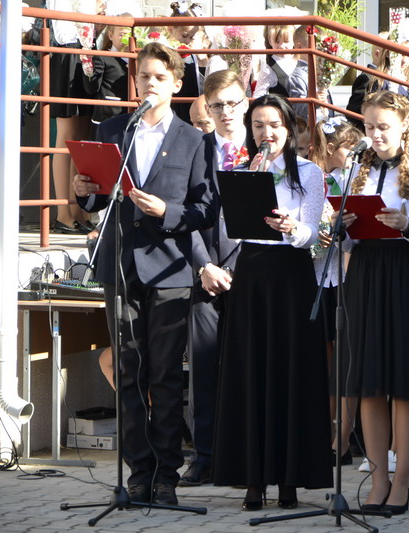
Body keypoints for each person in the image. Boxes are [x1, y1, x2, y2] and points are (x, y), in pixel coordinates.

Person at [72, 42, 216, 506]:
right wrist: (84, 192)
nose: (148, 85)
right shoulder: (117, 129)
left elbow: (206, 208)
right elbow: (99, 194)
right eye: (143, 77)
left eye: (158, 77)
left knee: (166, 377)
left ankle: (167, 476)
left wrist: (168, 211)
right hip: (121, 264)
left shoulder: (194, 140)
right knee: (130, 372)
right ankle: (138, 474)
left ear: (176, 84)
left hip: (170, 270)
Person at [211, 93, 332, 511]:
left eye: (274, 125)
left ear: (289, 128)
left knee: (291, 372)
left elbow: (312, 235)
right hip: (253, 276)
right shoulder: (242, 170)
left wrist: (291, 226)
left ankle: (289, 481)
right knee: (252, 370)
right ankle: (253, 479)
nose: (267, 134)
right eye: (259, 126)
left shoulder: (310, 174)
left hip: (292, 275)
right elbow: (231, 227)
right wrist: (247, 186)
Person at [338, 90, 409, 514]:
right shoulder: (355, 171)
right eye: (369, 126)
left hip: (404, 275)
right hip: (365, 273)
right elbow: (347, 238)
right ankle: (378, 479)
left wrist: (408, 225)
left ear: (404, 126)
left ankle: (401, 482)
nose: (376, 134)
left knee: (403, 386)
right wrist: (341, 226)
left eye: (384, 126)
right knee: (368, 385)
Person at [179, 70, 248, 488]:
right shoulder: (195, 147)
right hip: (205, 273)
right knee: (203, 367)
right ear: (207, 105)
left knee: (247, 367)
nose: (225, 112)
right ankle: (205, 455)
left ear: (247, 99)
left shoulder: (265, 145)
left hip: (250, 272)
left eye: (233, 103)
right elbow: (183, 212)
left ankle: (244, 456)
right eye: (217, 104)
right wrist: (203, 265)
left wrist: (242, 269)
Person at [310, 115, 364, 467]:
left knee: (347, 359)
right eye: (349, 149)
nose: (355, 155)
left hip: (348, 276)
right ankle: (326, 433)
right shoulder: (316, 179)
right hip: (320, 277)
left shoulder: (354, 181)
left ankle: (345, 436)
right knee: (326, 359)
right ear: (330, 149)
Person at [49, 0, 98, 233]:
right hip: (68, 50)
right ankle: (63, 213)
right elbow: (62, 27)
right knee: (67, 135)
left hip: (87, 52)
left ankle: (78, 209)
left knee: (82, 136)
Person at [167, 1, 209, 124]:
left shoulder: (192, 54)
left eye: (191, 37)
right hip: (172, 102)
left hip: (189, 103)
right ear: (170, 29)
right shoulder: (164, 49)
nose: (187, 41)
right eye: (184, 36)